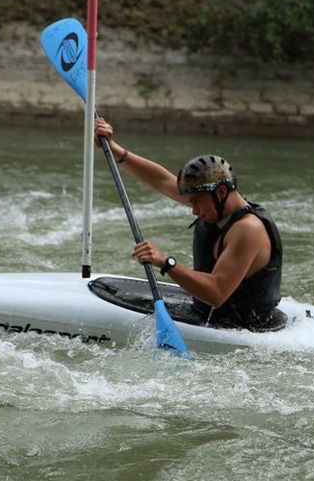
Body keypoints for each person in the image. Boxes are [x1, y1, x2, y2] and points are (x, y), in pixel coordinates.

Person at [94, 118, 285, 331]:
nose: (193, 210)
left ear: (221, 192)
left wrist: (167, 262)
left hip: (242, 328)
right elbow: (161, 181)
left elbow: (216, 293)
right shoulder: (214, 201)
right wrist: (114, 149)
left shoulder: (248, 230)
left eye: (196, 202)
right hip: (211, 315)